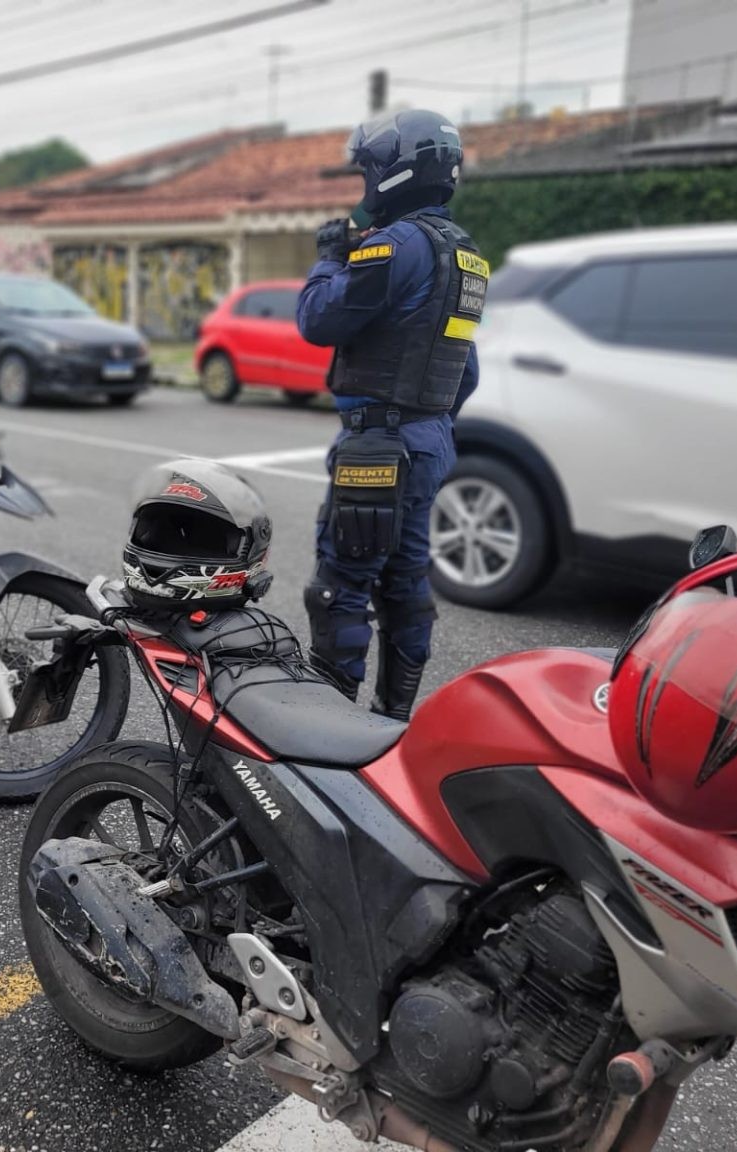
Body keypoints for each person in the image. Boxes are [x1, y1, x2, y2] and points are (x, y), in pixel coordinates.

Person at [297, 110, 485, 722]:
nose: (365, 185)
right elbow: (467, 369)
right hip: (430, 441)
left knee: (341, 592)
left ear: (397, 172)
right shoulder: (465, 258)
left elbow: (319, 321)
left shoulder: (395, 245)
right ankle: (390, 722)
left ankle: (327, 742)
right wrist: (426, 422)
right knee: (404, 583)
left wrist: (329, 257)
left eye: (370, 172)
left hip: (378, 447)